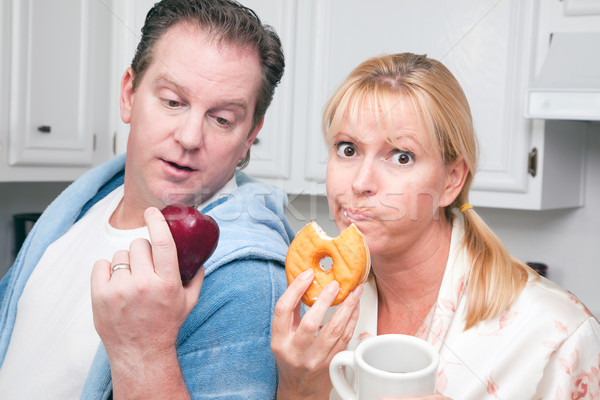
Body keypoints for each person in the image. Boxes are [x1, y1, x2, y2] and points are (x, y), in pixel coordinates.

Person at [0, 0, 293, 398]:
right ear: (128, 94)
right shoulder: (85, 203)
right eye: (173, 101)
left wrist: (144, 350)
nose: (190, 138)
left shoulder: (250, 283)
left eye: (222, 119)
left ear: (249, 135)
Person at [271, 53, 600, 399]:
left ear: (451, 180)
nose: (360, 183)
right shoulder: (316, 320)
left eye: (401, 156)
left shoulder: (558, 336)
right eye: (348, 149)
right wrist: (298, 385)